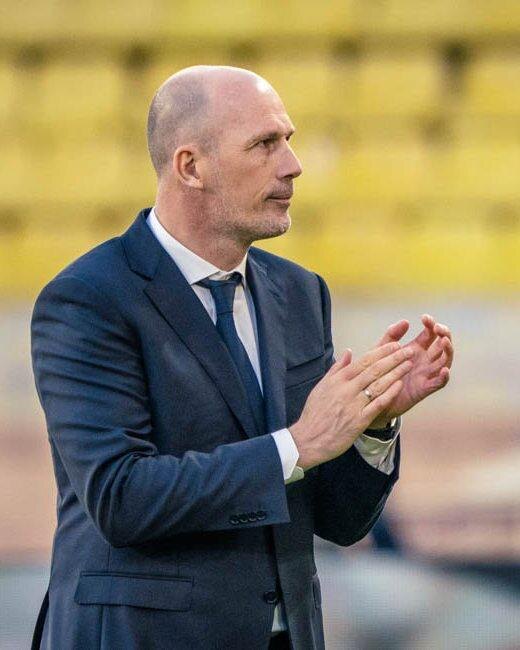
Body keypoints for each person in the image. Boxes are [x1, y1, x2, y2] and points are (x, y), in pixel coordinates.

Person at [30, 65, 453, 650]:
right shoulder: (89, 298)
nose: (293, 165)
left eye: (289, 141)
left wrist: (371, 426)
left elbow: (338, 521)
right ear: (190, 167)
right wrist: (298, 443)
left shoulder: (300, 292)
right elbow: (120, 498)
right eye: (264, 144)